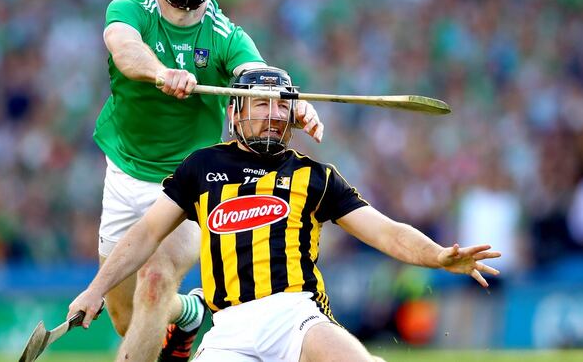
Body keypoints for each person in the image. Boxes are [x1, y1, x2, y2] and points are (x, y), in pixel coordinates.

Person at [72, 67, 501, 361]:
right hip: (229, 328)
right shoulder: (201, 167)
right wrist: (96, 290)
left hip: (295, 314)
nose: (274, 115)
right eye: (261, 104)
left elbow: (385, 232)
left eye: (282, 106)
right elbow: (146, 233)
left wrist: (437, 255)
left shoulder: (313, 176)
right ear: (235, 111)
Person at [94, 0, 324, 361]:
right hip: (124, 175)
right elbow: (124, 50)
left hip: (188, 185)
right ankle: (189, 313)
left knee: (154, 284)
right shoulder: (129, 10)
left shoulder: (225, 35)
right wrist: (161, 72)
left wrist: (291, 105)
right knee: (126, 318)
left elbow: (258, 80)